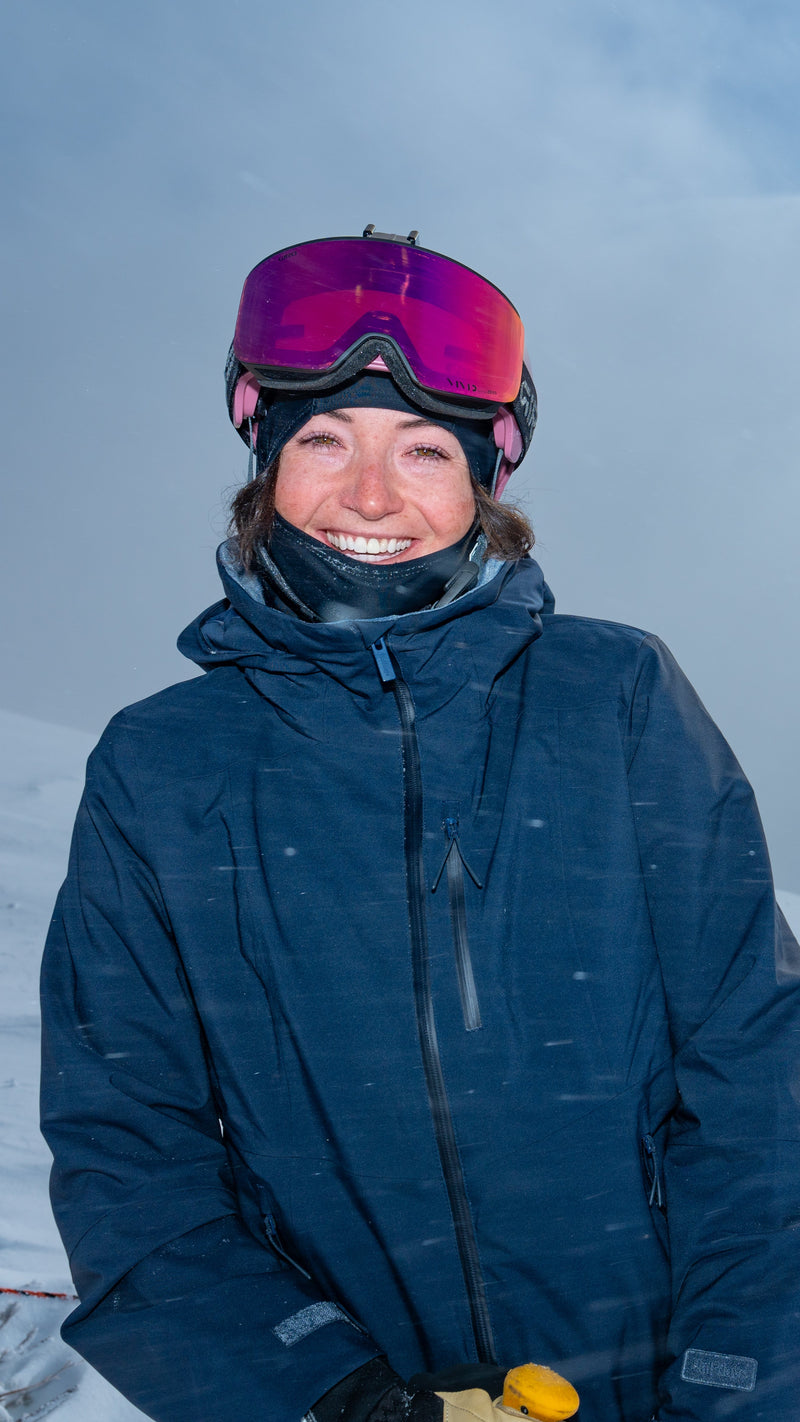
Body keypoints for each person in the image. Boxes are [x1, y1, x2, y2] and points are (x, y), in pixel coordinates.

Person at [40, 226, 800, 1422]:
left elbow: (758, 1079)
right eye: (324, 440)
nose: (369, 495)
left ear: (484, 482)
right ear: (263, 459)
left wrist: (733, 1389)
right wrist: (333, 1396)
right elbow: (129, 1152)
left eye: (423, 449)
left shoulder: (612, 696)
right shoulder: (162, 765)